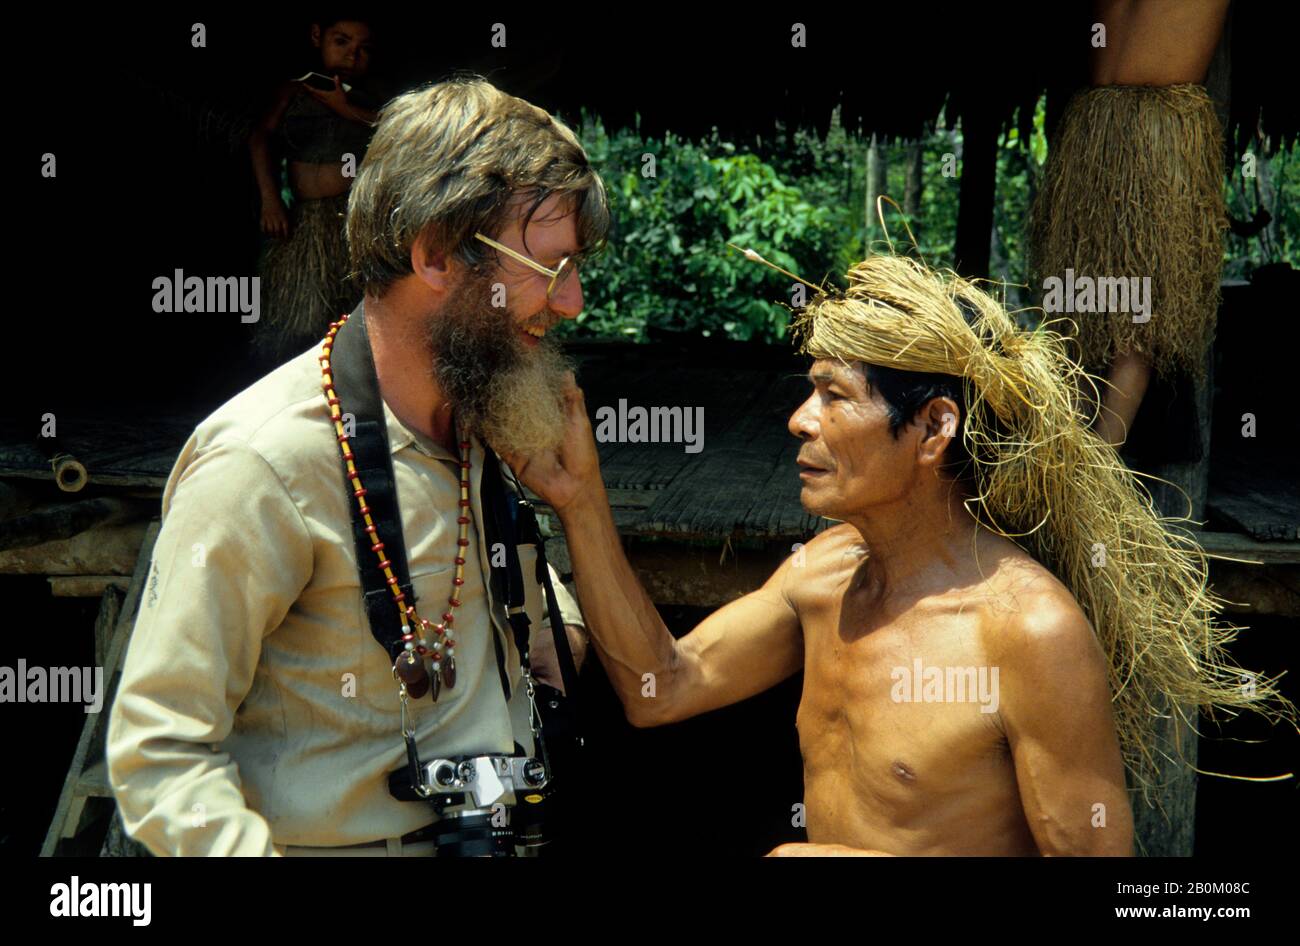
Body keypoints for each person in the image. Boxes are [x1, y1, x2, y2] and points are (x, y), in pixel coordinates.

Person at [507, 252, 1288, 856]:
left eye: (834, 395)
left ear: (933, 428)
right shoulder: (823, 573)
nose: (800, 421)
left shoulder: (1026, 631)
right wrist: (581, 502)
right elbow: (660, 689)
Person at [107, 76, 607, 855]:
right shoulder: (262, 461)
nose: (572, 301)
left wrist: (557, 627)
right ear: (437, 254)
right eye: (549, 268)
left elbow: (522, 614)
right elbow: (158, 756)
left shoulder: (483, 419)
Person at [1029, 0, 1231, 446]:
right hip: (1144, 125)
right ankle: (1085, 458)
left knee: (1099, 304)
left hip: (1099, 123)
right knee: (1123, 312)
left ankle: (1080, 457)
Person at [248, 15, 382, 364]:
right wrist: (270, 199)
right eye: (342, 42)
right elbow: (259, 138)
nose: (352, 56)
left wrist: (344, 108)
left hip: (350, 221)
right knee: (298, 320)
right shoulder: (294, 90)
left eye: (363, 49)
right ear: (316, 36)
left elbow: (396, 130)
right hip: (303, 223)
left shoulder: (369, 101)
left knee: (348, 314)